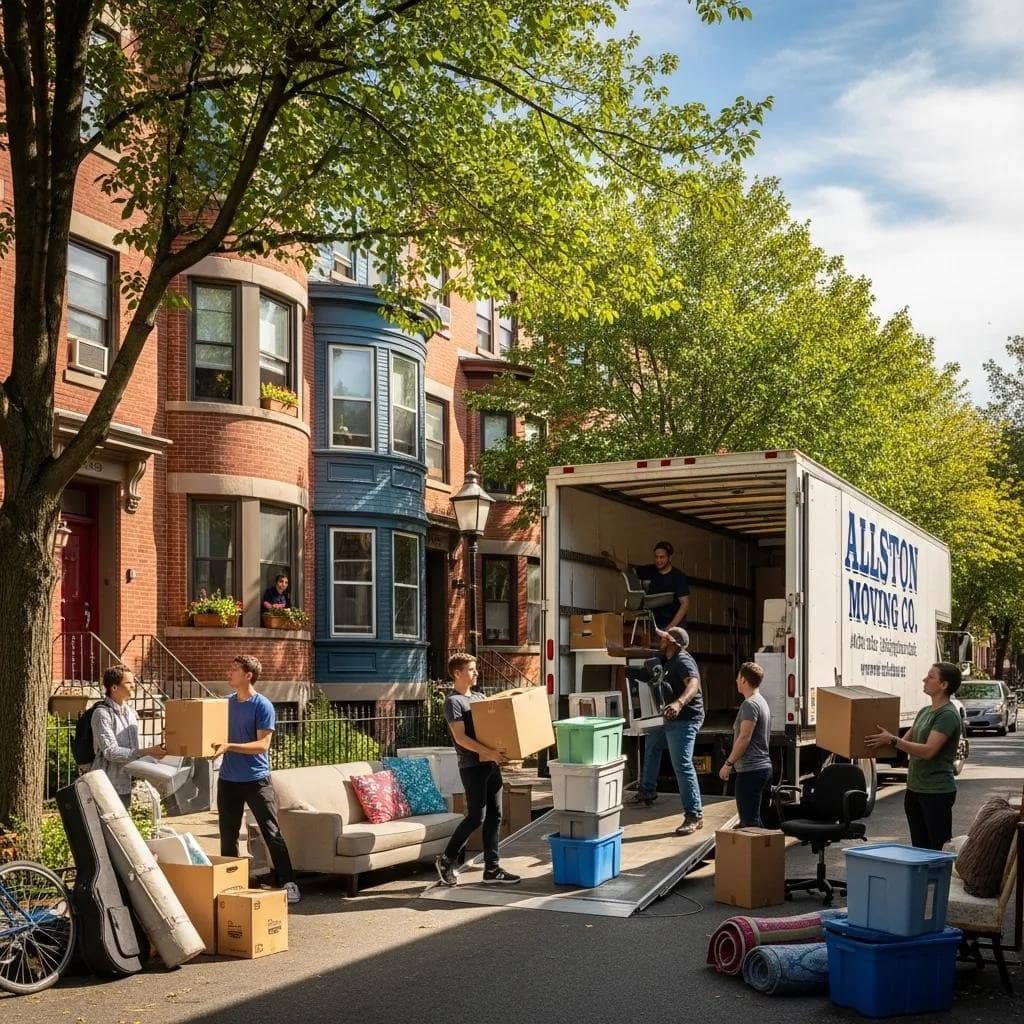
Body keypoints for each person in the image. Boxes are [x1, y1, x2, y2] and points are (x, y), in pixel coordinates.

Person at [212, 655, 300, 903]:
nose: (229, 672)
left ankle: (288, 882)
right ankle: (231, 884)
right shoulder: (225, 704)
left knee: (270, 831)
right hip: (228, 780)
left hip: (256, 780)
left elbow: (263, 745)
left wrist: (230, 746)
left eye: (234, 669)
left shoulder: (262, 705)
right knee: (228, 836)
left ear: (248, 675)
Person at [434, 652, 521, 886]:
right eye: (471, 669)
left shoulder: (480, 697)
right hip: (472, 766)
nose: (476, 673)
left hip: (491, 764)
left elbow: (494, 729)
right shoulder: (453, 702)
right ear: (457, 673)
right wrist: (487, 752)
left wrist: (502, 752)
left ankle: (492, 869)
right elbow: (460, 737)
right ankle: (446, 860)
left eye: (475, 669)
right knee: (476, 817)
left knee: (496, 815)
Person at [865, 662, 963, 851]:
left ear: (944, 685)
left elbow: (928, 751)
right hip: (915, 790)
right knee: (919, 849)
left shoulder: (947, 715)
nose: (924, 680)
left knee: (937, 850)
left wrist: (892, 740)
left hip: (936, 792)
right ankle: (922, 882)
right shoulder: (925, 712)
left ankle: (939, 882)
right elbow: (903, 744)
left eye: (931, 677)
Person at [631, 626, 705, 835]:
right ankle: (647, 791)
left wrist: (679, 703)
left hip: (686, 718)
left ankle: (694, 815)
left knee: (682, 764)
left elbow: (694, 684)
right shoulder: (666, 658)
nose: (660, 640)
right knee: (653, 743)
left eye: (663, 638)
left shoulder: (683, 660)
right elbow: (645, 658)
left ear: (672, 642)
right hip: (669, 716)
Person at [91, 665, 165, 807]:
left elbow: (135, 747)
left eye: (133, 682)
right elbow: (110, 752)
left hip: (126, 782)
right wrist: (147, 751)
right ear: (114, 687)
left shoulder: (131, 712)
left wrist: (157, 747)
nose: (133, 686)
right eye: (128, 683)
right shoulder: (102, 714)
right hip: (107, 783)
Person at [719, 662, 772, 827]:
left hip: (751, 770)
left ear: (743, 679)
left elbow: (744, 737)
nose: (736, 681)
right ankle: (770, 851)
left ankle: (765, 853)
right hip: (762, 769)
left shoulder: (749, 704)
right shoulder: (761, 701)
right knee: (756, 821)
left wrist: (728, 764)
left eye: (737, 677)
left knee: (749, 823)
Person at [604, 541, 689, 630]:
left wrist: (670, 628)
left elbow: (685, 604)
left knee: (670, 642)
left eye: (662, 557)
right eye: (656, 557)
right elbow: (628, 570)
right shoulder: (649, 570)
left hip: (675, 624)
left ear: (670, 557)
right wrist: (612, 558)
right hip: (655, 623)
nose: (658, 560)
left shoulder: (679, 577)